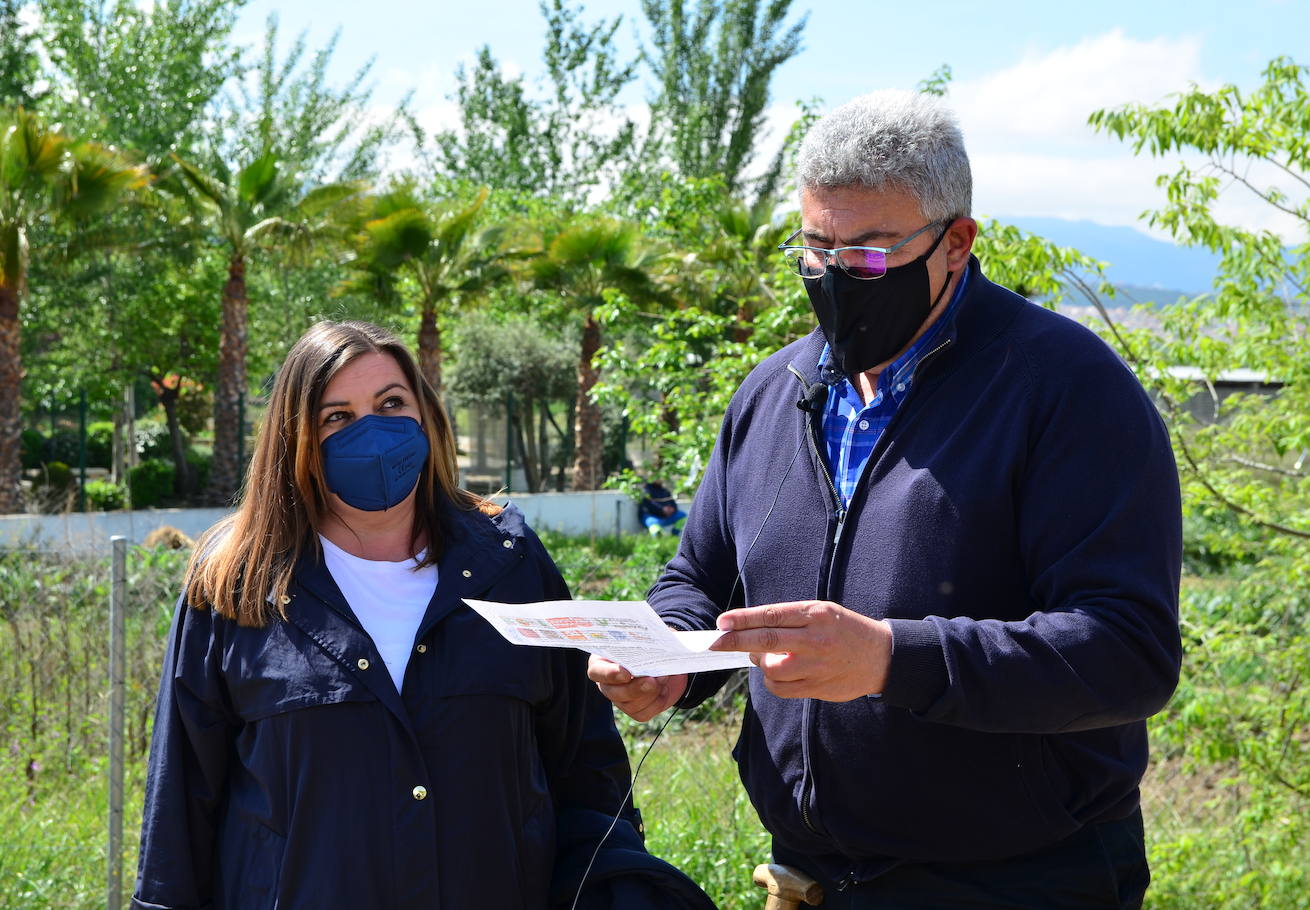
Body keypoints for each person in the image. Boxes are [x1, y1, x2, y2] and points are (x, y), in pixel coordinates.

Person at [589, 90, 1182, 909]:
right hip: (807, 878)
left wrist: (890, 660)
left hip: (1015, 881)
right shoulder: (773, 390)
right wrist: (670, 661)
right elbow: (703, 576)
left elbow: (1127, 652)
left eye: (868, 257)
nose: (836, 280)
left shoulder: (1066, 390)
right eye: (815, 250)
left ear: (956, 243)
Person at [133, 320, 716, 910]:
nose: (374, 432)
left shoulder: (507, 558)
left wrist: (615, 886)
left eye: (391, 403)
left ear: (425, 415)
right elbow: (183, 800)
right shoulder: (237, 580)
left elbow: (584, 765)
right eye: (338, 416)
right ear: (296, 438)